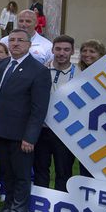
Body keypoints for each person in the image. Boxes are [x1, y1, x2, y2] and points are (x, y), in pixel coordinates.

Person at [0, 29, 50, 212]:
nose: (15, 43)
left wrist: (30, 137)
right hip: (1, 130)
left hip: (21, 134)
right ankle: (7, 205)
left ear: (29, 45)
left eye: (20, 40)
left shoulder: (39, 71)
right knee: (6, 172)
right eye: (12, 40)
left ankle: (19, 210)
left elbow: (39, 109)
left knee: (21, 174)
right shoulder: (2, 64)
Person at [34, 35, 78, 191]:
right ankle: (41, 200)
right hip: (42, 129)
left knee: (64, 171)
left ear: (72, 51)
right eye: (58, 49)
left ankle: (62, 201)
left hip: (65, 132)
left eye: (66, 49)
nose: (61, 53)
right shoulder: (40, 70)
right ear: (52, 50)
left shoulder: (79, 74)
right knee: (40, 169)